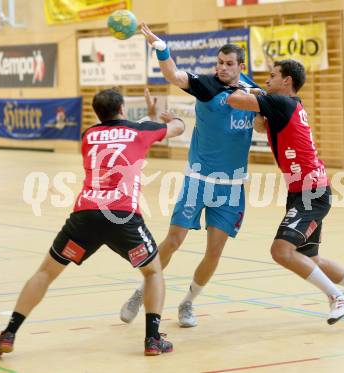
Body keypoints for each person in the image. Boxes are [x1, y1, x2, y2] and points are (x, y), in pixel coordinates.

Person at [0, 88, 185, 357]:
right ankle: (152, 339)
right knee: (153, 272)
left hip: (85, 215)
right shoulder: (140, 132)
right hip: (122, 215)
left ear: (98, 112)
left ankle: (8, 333)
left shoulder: (88, 136)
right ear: (123, 108)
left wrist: (146, 120)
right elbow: (174, 128)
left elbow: (122, 135)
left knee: (45, 272)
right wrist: (170, 118)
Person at [120, 22, 265, 328]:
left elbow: (262, 126)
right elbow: (174, 74)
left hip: (232, 187)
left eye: (229, 64)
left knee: (214, 251)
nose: (222, 68)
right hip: (198, 180)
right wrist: (162, 48)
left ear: (241, 66)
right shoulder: (207, 85)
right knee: (174, 240)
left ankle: (187, 303)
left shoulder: (253, 92)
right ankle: (141, 289)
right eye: (219, 63)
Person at [227, 59, 344, 324]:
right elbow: (259, 125)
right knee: (308, 257)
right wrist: (257, 93)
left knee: (281, 251)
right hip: (307, 190)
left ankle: (337, 297)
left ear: (287, 81)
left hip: (310, 192)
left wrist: (240, 87)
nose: (267, 79)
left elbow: (234, 101)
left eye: (273, 75)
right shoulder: (287, 105)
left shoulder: (283, 103)